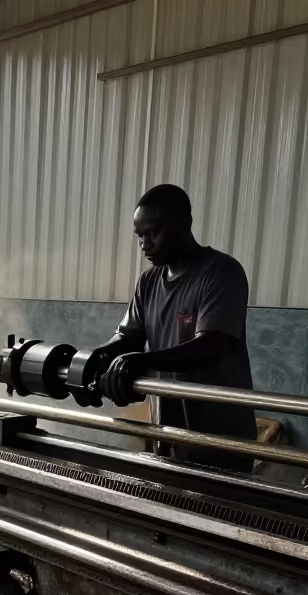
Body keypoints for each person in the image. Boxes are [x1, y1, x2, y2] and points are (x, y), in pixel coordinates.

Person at [95, 183, 258, 473]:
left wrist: (138, 361)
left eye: (153, 232)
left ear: (185, 224)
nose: (145, 244)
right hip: (167, 437)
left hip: (219, 442)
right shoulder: (148, 282)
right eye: (139, 235)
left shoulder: (222, 273)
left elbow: (210, 348)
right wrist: (97, 359)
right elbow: (127, 337)